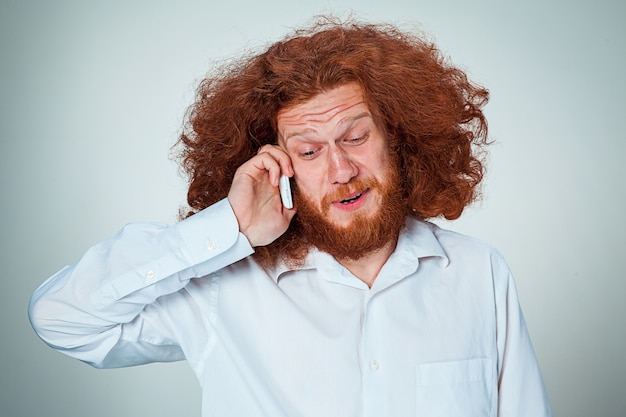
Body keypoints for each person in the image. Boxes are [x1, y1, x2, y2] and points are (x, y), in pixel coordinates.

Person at [29, 17, 552, 417]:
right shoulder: (220, 287)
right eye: (308, 151)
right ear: (277, 166)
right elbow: (62, 319)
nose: (341, 169)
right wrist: (229, 225)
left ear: (399, 136)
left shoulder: (479, 273)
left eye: (355, 137)